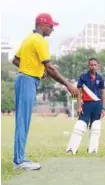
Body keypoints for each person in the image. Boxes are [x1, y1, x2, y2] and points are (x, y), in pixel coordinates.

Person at [12, 13, 79, 171]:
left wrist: (36, 70)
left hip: (24, 79)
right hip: (27, 80)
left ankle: (19, 158)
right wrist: (68, 84)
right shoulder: (40, 41)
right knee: (23, 121)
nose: (52, 30)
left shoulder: (29, 39)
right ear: (42, 25)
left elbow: (15, 60)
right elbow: (49, 67)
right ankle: (19, 161)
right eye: (51, 26)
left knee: (22, 120)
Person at [66, 58, 105, 155]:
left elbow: (103, 93)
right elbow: (79, 92)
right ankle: (71, 149)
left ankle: (92, 150)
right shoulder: (83, 77)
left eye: (95, 65)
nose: (93, 66)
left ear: (98, 66)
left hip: (97, 105)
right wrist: (79, 106)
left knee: (96, 127)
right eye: (91, 65)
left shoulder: (100, 78)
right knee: (79, 126)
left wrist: (103, 108)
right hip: (86, 105)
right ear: (88, 66)